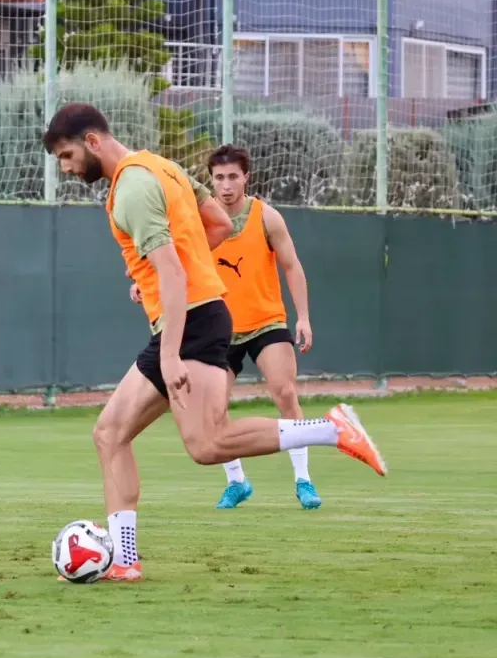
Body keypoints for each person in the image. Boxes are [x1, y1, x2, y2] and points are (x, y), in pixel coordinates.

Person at [42, 103, 387, 583]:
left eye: (66, 155)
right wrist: (156, 275)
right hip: (194, 318)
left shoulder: (131, 189)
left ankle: (332, 429)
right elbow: (219, 226)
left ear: (93, 141)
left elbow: (172, 270)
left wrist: (169, 352)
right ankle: (125, 560)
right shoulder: (163, 168)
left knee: (208, 444)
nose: (65, 167)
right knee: (110, 434)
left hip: (192, 323)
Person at [205, 145, 321, 510]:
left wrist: (303, 317)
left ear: (246, 177)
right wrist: (142, 285)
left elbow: (292, 266)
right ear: (211, 181)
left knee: (285, 393)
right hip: (220, 328)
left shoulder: (266, 217)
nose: (226, 185)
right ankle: (236, 481)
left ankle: (303, 480)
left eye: (232, 177)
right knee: (212, 411)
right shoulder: (201, 220)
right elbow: (175, 260)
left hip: (266, 322)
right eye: (219, 178)